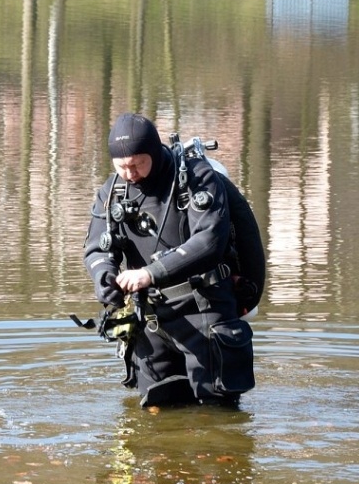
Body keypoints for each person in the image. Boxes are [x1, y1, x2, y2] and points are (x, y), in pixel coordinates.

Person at [83, 112, 258, 409]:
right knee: (156, 413)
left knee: (218, 415)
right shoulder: (113, 191)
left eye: (137, 164)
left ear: (152, 152)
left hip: (205, 308)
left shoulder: (195, 179)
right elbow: (97, 249)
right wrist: (105, 279)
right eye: (122, 166)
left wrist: (151, 273)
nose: (130, 173)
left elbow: (209, 241)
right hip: (150, 318)